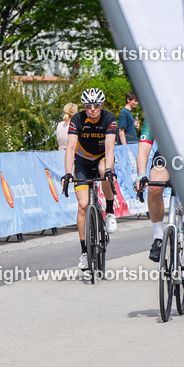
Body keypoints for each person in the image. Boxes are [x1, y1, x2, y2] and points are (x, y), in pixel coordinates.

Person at [132, 117, 184, 304]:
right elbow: (145, 146)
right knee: (154, 185)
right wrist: (141, 174)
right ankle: (158, 238)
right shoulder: (155, 110)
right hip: (165, 156)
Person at [60, 88, 118, 271]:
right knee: (82, 205)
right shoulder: (77, 120)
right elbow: (70, 148)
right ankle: (85, 252)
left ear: (101, 105)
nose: (92, 109)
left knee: (104, 172)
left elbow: (110, 149)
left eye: (96, 105)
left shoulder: (109, 119)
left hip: (102, 157)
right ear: (84, 107)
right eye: (88, 106)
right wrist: (68, 173)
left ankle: (109, 211)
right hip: (83, 161)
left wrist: (109, 170)